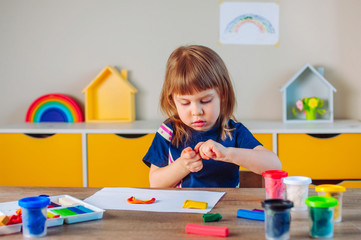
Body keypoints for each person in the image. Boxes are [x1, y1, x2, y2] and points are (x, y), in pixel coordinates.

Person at [143, 45, 281, 188]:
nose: (196, 111)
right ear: (172, 100)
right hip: (183, 208)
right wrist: (183, 166)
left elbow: (275, 166)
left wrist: (227, 154)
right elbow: (155, 183)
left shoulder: (233, 131)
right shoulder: (168, 131)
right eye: (185, 103)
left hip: (226, 208)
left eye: (205, 101)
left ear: (222, 95)